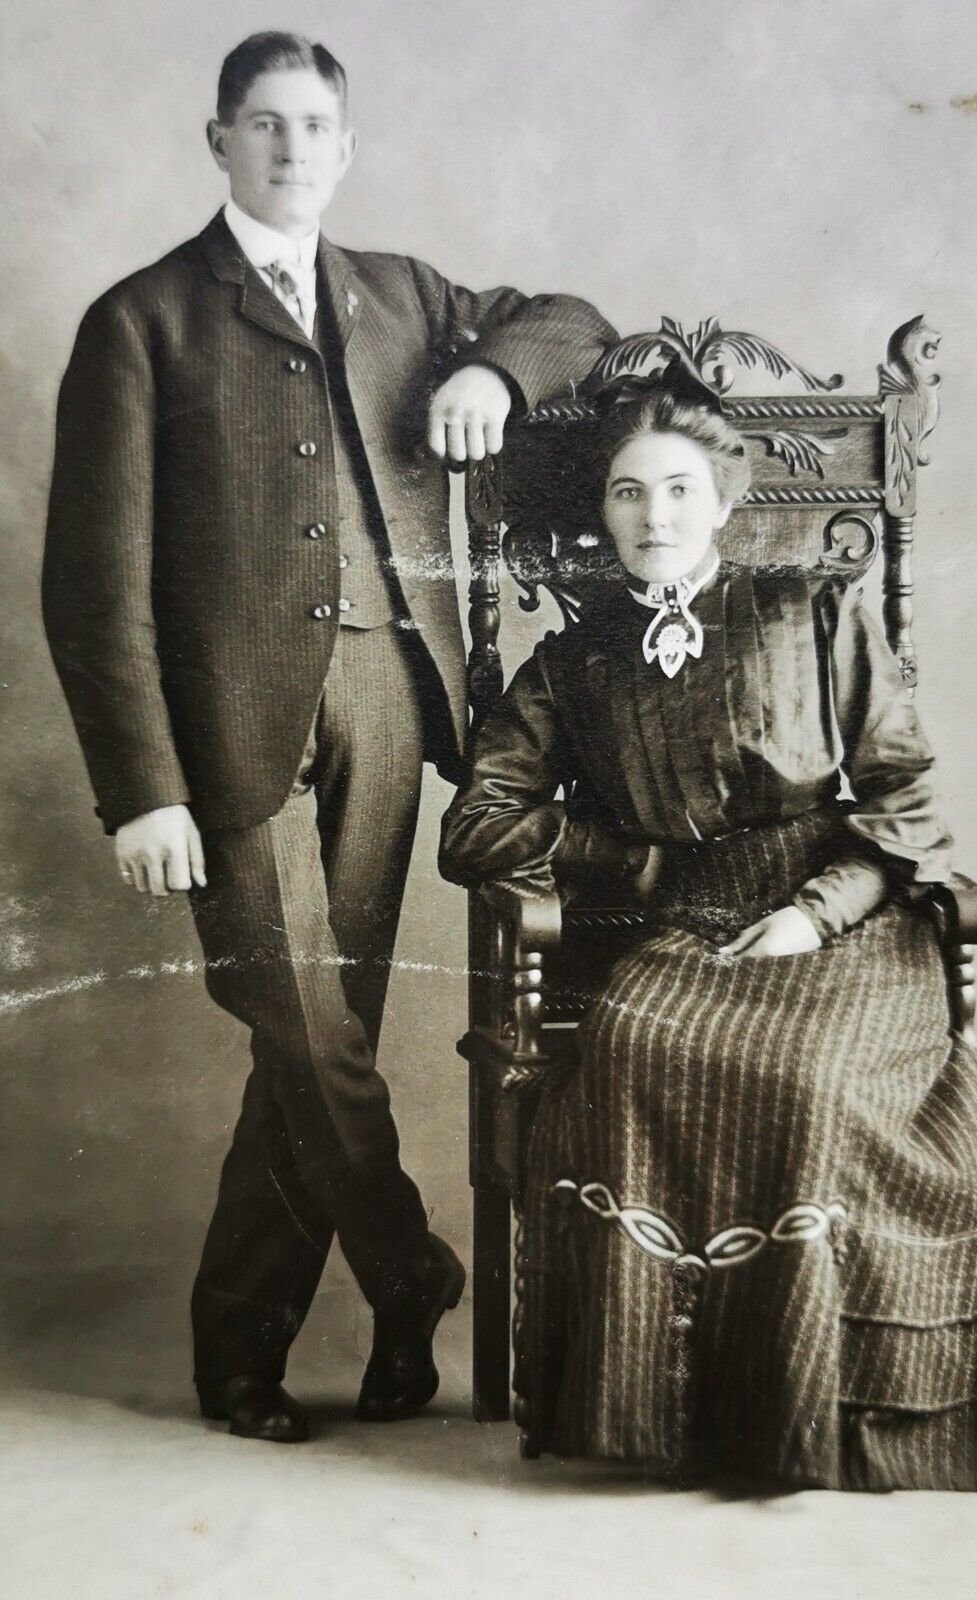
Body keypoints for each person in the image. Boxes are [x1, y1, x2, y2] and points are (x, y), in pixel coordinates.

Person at [42, 31, 613, 1444]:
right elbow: (93, 585)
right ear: (217, 141)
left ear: (345, 147)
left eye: (314, 127)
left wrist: (490, 373)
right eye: (263, 126)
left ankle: (239, 1360)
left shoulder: (407, 297)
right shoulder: (144, 320)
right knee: (305, 1029)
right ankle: (408, 1269)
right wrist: (140, 795)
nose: (291, 151)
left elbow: (574, 319)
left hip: (385, 701)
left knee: (317, 1039)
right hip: (224, 738)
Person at [438, 380, 977, 1489]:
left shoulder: (811, 606)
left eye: (678, 489)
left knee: (808, 1076)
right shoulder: (572, 663)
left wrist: (815, 916)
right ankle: (665, 1413)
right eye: (628, 493)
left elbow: (904, 793)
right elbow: (477, 822)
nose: (653, 515)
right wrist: (641, 864)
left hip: (846, 914)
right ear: (603, 513)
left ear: (722, 502)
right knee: (631, 1041)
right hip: (687, 918)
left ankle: (804, 1413)